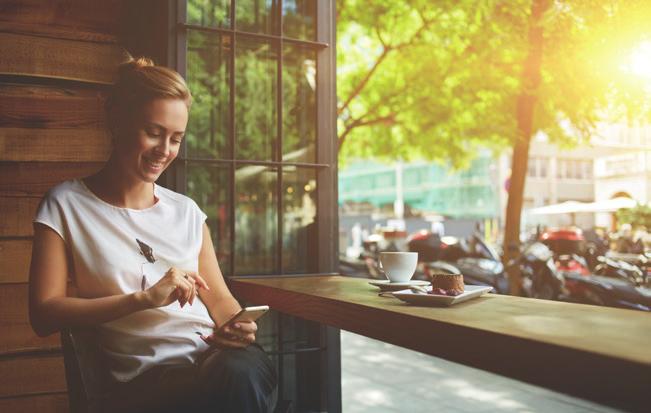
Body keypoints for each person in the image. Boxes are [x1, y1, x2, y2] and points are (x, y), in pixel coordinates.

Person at [28, 57, 277, 412]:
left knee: (238, 372)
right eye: (154, 132)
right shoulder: (66, 205)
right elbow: (44, 314)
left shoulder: (186, 211)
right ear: (117, 122)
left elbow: (220, 300)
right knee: (229, 388)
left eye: (176, 138)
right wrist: (144, 299)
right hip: (147, 383)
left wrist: (238, 328)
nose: (165, 150)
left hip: (220, 362)